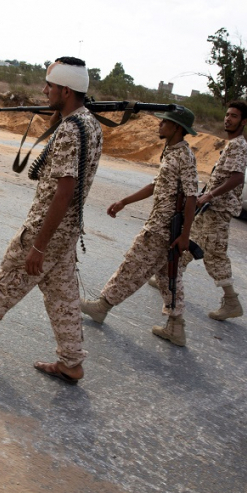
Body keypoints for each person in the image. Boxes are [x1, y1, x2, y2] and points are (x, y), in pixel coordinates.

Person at [0, 57, 103, 385]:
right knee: (63, 296)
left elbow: (65, 189)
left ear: (66, 90)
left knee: (8, 279)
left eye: (50, 86)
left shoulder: (71, 130)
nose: (44, 90)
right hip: (68, 231)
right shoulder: (90, 124)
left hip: (47, 229)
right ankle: (71, 362)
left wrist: (39, 245)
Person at [80, 106, 199, 346]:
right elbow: (156, 184)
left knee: (132, 264)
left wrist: (185, 235)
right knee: (167, 276)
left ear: (177, 127)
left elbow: (191, 197)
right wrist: (124, 201)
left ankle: (102, 306)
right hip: (163, 225)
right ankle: (176, 327)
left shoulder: (184, 156)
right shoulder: (171, 151)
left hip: (162, 228)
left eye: (165, 122)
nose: (160, 124)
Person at [149, 101, 247, 320]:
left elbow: (237, 177)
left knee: (215, 254)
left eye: (234, 116)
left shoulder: (239, 146)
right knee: (189, 240)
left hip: (219, 209)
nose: (228, 119)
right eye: (227, 114)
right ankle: (169, 278)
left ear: (243, 122)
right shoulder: (232, 144)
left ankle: (232, 301)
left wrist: (209, 195)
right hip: (211, 207)